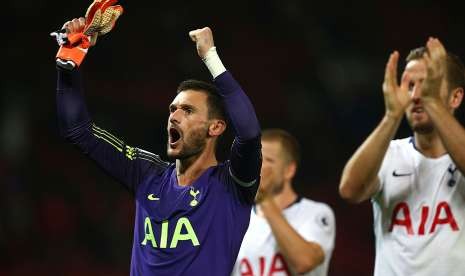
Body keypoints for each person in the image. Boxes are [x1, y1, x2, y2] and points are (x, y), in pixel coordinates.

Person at [54, 18, 262, 275]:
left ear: (216, 127)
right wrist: (69, 64)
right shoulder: (148, 175)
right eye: (172, 109)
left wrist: (211, 57)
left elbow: (250, 133)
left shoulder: (232, 184)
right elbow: (78, 130)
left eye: (187, 111)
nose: (174, 116)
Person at [339, 38, 465, 276]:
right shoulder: (388, 155)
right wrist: (391, 116)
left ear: (455, 98)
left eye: (428, 85)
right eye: (410, 85)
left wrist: (432, 103)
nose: (416, 95)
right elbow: (350, 190)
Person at [232, 129, 335, 276]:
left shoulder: (316, 213)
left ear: (289, 171)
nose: (257, 166)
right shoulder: (237, 218)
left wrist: (264, 198)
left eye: (268, 160)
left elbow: (304, 262)